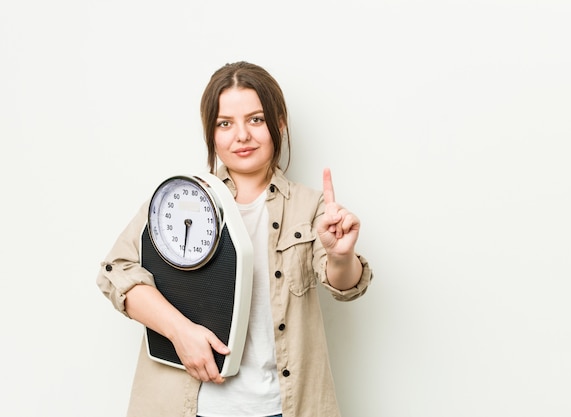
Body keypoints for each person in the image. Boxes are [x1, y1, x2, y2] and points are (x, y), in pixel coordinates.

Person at [96, 61, 373, 417]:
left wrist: (340, 256)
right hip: (190, 407)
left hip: (282, 407)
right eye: (225, 123)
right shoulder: (179, 199)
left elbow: (345, 284)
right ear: (211, 133)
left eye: (256, 120)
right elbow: (115, 272)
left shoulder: (311, 206)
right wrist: (180, 332)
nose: (241, 136)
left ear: (280, 124)